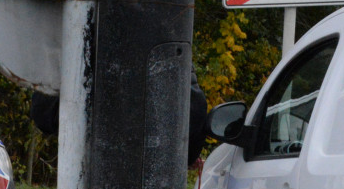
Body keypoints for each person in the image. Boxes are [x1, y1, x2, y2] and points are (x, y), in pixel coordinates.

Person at [29, 71, 209, 167]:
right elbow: (195, 111)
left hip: (92, 182)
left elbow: (43, 113)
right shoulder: (173, 51)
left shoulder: (83, 44)